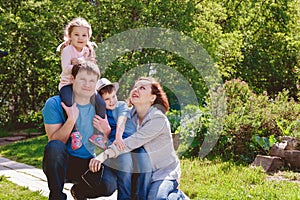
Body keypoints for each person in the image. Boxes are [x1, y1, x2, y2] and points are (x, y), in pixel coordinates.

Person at [89, 77, 188, 199]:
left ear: (152, 98)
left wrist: (102, 156)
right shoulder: (130, 114)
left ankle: (179, 196)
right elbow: (116, 139)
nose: (136, 90)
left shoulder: (158, 119)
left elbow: (130, 142)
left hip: (162, 173)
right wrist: (107, 131)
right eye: (135, 87)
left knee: (156, 198)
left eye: (142, 88)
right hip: (140, 171)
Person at [42, 59, 114, 200]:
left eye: (92, 81)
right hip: (63, 162)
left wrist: (107, 131)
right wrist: (71, 119)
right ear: (73, 79)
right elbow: (55, 141)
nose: (87, 85)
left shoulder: (100, 107)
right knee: (54, 147)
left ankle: (80, 191)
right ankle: (57, 196)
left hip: (86, 162)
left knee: (109, 185)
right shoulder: (55, 103)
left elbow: (108, 144)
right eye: (82, 79)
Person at [96, 77, 152, 199]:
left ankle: (141, 197)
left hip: (129, 141)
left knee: (145, 163)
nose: (112, 101)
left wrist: (118, 137)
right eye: (107, 99)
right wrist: (111, 138)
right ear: (100, 101)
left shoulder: (121, 105)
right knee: (126, 165)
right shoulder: (102, 114)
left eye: (113, 97)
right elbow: (98, 136)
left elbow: (122, 120)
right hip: (117, 145)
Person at [56, 17, 106, 150]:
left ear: (88, 37)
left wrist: (80, 61)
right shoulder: (67, 50)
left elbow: (91, 68)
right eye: (76, 34)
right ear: (70, 36)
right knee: (70, 104)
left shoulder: (87, 50)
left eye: (84, 35)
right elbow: (66, 69)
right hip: (68, 85)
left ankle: (97, 135)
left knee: (100, 103)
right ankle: (75, 133)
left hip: (84, 86)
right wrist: (80, 63)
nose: (80, 38)